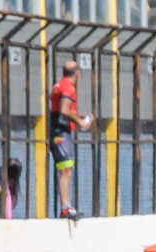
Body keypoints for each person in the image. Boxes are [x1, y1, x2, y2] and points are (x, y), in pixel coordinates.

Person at [49, 60, 92, 219]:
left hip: (56, 129)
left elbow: (60, 111)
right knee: (66, 170)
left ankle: (65, 206)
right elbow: (63, 110)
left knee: (66, 169)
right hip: (61, 132)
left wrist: (75, 117)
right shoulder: (68, 87)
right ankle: (65, 207)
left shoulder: (58, 85)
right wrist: (80, 121)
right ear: (77, 74)